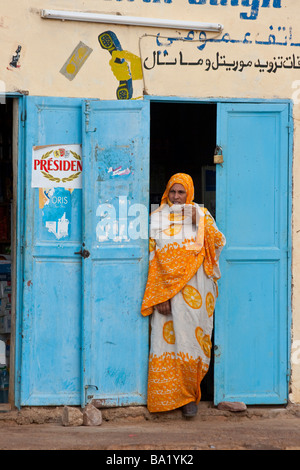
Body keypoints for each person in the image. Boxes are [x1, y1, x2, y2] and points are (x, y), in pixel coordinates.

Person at [141, 173, 226, 418]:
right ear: (166, 193)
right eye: (173, 192)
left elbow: (219, 243)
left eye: (182, 192)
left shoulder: (202, 215)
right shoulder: (156, 219)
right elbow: (152, 259)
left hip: (197, 292)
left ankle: (190, 396)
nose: (177, 197)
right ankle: (166, 397)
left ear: (190, 194)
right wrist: (161, 295)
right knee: (165, 343)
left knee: (193, 342)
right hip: (167, 292)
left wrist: (199, 222)